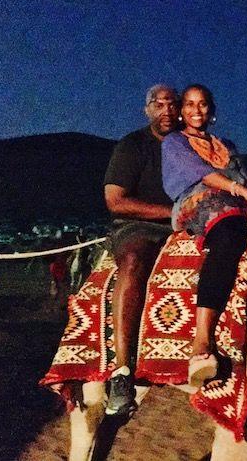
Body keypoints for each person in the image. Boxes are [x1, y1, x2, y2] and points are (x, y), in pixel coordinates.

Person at [161, 83, 247, 388]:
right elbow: (201, 175)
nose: (196, 110)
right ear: (181, 110)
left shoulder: (225, 144)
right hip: (199, 201)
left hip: (238, 198)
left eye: (202, 104)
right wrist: (243, 192)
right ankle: (202, 342)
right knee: (229, 235)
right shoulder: (174, 142)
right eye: (189, 104)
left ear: (211, 110)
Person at [102, 84, 179, 415]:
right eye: (157, 104)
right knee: (133, 262)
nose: (165, 110)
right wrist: (171, 213)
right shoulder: (132, 146)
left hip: (186, 225)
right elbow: (115, 201)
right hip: (139, 227)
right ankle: (121, 371)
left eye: (171, 104)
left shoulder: (191, 146)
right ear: (147, 110)